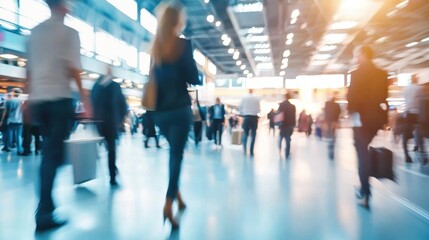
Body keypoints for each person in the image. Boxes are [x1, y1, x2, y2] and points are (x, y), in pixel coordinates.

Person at [27, 0, 91, 231]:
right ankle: (44, 213)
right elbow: (74, 69)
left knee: (49, 153)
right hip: (59, 100)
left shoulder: (34, 32)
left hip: (39, 100)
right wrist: (85, 99)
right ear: (62, 6)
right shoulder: (70, 33)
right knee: (53, 156)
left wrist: (28, 96)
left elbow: (29, 69)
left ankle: (47, 205)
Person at [149, 2, 201, 229]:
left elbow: (153, 79)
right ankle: (168, 204)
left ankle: (177, 197)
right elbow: (193, 77)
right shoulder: (183, 45)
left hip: (159, 112)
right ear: (177, 21)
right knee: (176, 157)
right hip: (180, 110)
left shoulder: (156, 47)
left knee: (173, 155)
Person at [347, 45, 388, 208]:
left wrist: (353, 114)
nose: (357, 58)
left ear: (363, 54)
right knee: (364, 150)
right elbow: (384, 96)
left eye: (358, 54)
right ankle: (364, 185)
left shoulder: (356, 74)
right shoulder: (382, 74)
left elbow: (352, 97)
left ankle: (365, 192)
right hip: (377, 118)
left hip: (361, 119)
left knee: (362, 154)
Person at [91, 69, 128, 186]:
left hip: (99, 121)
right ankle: (112, 174)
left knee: (107, 147)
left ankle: (112, 170)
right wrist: (120, 120)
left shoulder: (96, 86)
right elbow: (123, 104)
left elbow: (92, 102)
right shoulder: (115, 86)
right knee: (111, 148)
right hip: (111, 121)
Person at [402, 74, 422, 163]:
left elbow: (405, 100)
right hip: (417, 113)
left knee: (405, 135)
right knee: (419, 132)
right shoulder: (419, 88)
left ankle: (406, 154)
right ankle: (420, 150)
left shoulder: (405, 89)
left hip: (408, 113)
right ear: (416, 79)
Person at [1, 88, 24, 153]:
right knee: (18, 136)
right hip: (19, 120)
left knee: (9, 134)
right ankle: (19, 149)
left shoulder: (8, 101)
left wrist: (2, 120)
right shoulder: (21, 101)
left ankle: (8, 147)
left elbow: (5, 112)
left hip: (10, 120)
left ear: (13, 92)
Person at [240, 89, 261, 156]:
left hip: (246, 117)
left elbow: (240, 108)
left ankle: (245, 149)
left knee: (245, 133)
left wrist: (243, 114)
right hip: (254, 118)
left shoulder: (244, 97)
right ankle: (251, 150)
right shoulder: (257, 98)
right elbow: (259, 109)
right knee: (253, 134)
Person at [277, 93, 296, 159]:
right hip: (289, 125)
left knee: (280, 139)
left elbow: (278, 115)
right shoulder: (293, 106)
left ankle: (279, 152)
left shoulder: (281, 105)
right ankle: (287, 154)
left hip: (282, 125)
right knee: (288, 140)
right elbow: (294, 117)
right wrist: (293, 125)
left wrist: (278, 124)